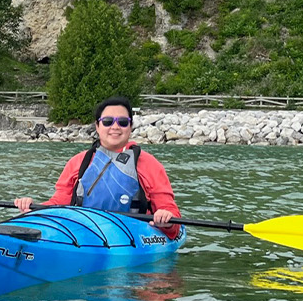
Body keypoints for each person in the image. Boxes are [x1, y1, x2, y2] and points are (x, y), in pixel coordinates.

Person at [14, 96, 181, 237]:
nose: (115, 127)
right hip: (84, 233)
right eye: (107, 121)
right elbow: (59, 203)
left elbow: (170, 212)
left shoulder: (150, 165)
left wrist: (166, 218)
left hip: (132, 235)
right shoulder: (78, 162)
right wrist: (34, 209)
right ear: (97, 126)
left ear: (130, 127)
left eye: (123, 122)